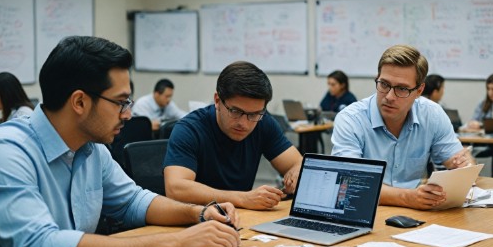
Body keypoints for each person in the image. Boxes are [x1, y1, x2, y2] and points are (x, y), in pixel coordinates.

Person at [0, 36, 240, 247]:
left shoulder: (91, 149)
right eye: (121, 102)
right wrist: (177, 241)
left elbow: (133, 201)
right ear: (80, 102)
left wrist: (199, 214)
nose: (127, 113)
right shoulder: (3, 154)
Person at [331, 45, 474, 210]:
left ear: (419, 90)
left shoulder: (432, 114)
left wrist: (465, 167)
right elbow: (350, 184)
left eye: (402, 89)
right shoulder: (351, 119)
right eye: (384, 84)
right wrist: (407, 198)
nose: (390, 97)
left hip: (415, 212)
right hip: (363, 209)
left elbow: (459, 162)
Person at [164, 61, 303, 210]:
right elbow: (175, 189)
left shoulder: (263, 123)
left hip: (243, 218)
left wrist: (294, 175)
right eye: (235, 111)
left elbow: (297, 163)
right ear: (217, 101)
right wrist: (242, 198)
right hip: (196, 222)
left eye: (254, 114)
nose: (244, 123)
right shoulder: (189, 129)